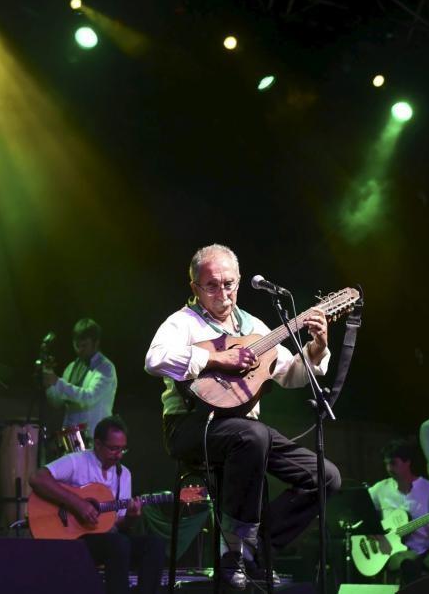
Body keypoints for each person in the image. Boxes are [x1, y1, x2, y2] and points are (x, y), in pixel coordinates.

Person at [145, 243, 341, 589]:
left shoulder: (254, 327)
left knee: (325, 477)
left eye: (230, 283)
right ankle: (230, 555)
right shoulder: (182, 323)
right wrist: (216, 359)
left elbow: (291, 374)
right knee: (254, 435)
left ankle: (253, 552)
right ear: (195, 287)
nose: (223, 292)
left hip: (245, 431)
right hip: (190, 427)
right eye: (212, 285)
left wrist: (317, 347)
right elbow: (155, 359)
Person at [28, 416, 166, 594]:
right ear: (98, 444)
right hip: (74, 539)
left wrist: (131, 518)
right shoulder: (77, 461)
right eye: (113, 449)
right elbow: (37, 478)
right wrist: (77, 503)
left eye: (123, 449)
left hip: (107, 540)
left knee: (154, 544)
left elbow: (118, 523)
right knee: (118, 543)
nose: (119, 455)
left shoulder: (123, 474)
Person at [367, 439, 429, 585]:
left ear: (407, 462)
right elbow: (362, 514)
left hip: (426, 548)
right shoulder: (380, 489)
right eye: (386, 464)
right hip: (394, 552)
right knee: (408, 562)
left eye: (393, 463)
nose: (389, 468)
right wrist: (378, 536)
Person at [44, 317, 117, 439]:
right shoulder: (71, 367)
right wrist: (50, 385)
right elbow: (57, 403)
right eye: (76, 345)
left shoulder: (105, 368)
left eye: (84, 345)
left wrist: (57, 381)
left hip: (96, 439)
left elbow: (89, 397)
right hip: (70, 438)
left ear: (96, 343)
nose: (79, 350)